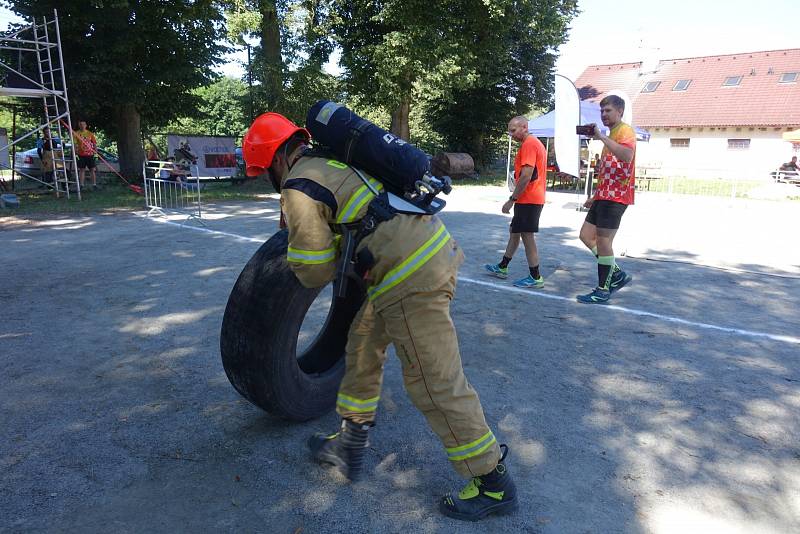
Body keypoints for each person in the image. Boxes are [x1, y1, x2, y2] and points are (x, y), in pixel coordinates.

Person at [242, 112, 517, 521]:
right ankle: (350, 442)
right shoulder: (333, 159)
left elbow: (314, 270)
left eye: (263, 170)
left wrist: (305, 239)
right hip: (422, 253)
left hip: (409, 276)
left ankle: (493, 482)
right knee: (363, 343)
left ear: (273, 161)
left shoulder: (299, 186)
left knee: (433, 380)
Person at [576, 95, 636, 304]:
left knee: (603, 241)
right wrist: (595, 196)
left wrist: (601, 137)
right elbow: (608, 171)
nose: (604, 115)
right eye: (602, 111)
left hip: (617, 197)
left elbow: (627, 156)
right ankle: (617, 274)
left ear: (619, 111)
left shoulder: (625, 131)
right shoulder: (611, 134)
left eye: (608, 110)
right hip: (604, 195)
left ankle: (602, 289)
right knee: (586, 235)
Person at [484, 116, 547, 288]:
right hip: (530, 199)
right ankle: (502, 267)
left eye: (513, 130)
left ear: (524, 127)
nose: (510, 134)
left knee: (527, 237)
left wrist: (512, 200)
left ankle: (535, 277)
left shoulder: (529, 144)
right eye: (509, 131)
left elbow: (527, 175)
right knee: (514, 231)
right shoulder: (533, 143)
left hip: (529, 199)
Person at [72, 120, 97, 189]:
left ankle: (94, 185)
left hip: (90, 154)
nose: (82, 126)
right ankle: (81, 185)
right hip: (81, 155)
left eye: (83, 124)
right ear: (79, 126)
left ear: (86, 125)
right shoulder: (76, 133)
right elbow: (74, 143)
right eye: (80, 125)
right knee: (82, 170)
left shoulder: (90, 133)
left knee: (92, 169)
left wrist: (96, 152)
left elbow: (94, 143)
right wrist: (75, 151)